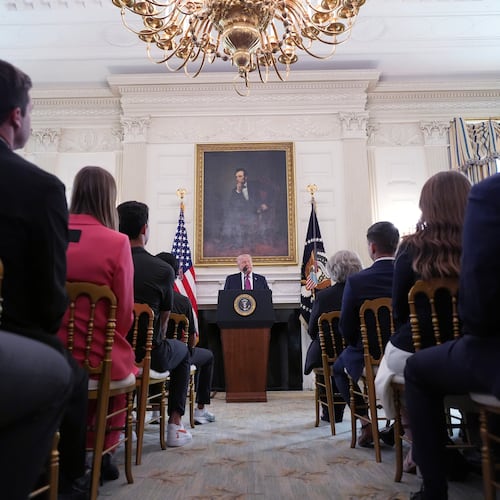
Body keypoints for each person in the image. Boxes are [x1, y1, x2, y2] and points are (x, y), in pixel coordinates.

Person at [0, 59, 89, 500]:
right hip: (10, 339)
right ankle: (64, 484)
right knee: (65, 373)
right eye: (31, 112)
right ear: (16, 116)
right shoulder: (40, 188)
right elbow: (49, 305)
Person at [405, 173, 500, 500]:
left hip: (473, 350)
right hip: (465, 347)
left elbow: (477, 314)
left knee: (409, 366)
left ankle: (431, 480)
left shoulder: (491, 197)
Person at [374, 170, 471, 472]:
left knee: (390, 371)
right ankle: (475, 439)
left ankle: (418, 441)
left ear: (425, 206)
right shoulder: (484, 242)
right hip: (472, 349)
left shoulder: (411, 247)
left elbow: (400, 310)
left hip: (417, 348)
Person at [57, 166, 137, 482]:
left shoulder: (50, 232)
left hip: (50, 353)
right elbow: (125, 312)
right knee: (119, 362)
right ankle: (99, 451)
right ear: (108, 198)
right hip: (96, 359)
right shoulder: (116, 242)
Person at [117, 201, 192, 447]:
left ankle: (119, 425)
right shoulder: (162, 270)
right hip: (148, 354)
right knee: (183, 352)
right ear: (145, 229)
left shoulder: (111, 261)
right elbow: (163, 322)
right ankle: (174, 426)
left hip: (113, 351)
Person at [332, 221, 400, 447]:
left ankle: (366, 424)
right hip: (408, 353)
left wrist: (357, 345)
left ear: (371, 248)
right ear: (397, 244)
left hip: (369, 356)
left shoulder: (357, 281)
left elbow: (346, 325)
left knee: (337, 369)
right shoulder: (411, 275)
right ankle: (398, 424)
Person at [156, 252, 216, 425]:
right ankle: (200, 410)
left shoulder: (149, 296)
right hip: (176, 355)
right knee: (208, 356)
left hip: (148, 353)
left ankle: (153, 410)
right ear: (176, 274)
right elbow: (191, 337)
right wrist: (187, 351)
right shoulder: (182, 301)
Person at [304, 250, 363, 423]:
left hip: (329, 352)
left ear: (332, 270)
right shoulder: (364, 291)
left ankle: (331, 412)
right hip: (360, 349)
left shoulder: (324, 296)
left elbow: (312, 330)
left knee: (322, 354)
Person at [223, 168, 272, 249]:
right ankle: (236, 243)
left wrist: (266, 204)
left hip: (255, 211)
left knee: (244, 220)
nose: (237, 179)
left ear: (245, 177)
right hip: (241, 214)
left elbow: (270, 190)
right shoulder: (234, 191)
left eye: (240, 176)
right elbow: (231, 205)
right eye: (236, 177)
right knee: (231, 218)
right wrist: (238, 191)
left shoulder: (255, 184)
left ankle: (250, 243)